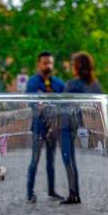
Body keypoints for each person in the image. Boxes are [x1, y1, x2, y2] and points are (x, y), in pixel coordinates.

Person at [56, 51, 100, 204]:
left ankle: (73, 193)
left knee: (68, 159)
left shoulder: (73, 84)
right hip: (77, 123)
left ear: (78, 66)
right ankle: (75, 192)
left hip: (66, 124)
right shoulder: (94, 85)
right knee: (71, 159)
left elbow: (62, 104)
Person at [24, 51, 65, 203]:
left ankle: (52, 190)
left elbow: (66, 100)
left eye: (50, 63)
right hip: (39, 127)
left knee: (51, 160)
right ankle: (30, 193)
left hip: (53, 128)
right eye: (45, 63)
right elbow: (32, 102)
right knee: (35, 160)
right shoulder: (33, 82)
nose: (48, 65)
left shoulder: (58, 83)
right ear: (39, 64)